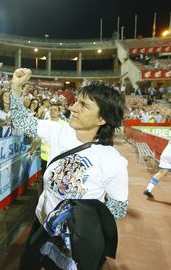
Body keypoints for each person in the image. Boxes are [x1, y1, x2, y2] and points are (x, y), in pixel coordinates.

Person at [10, 69, 128, 269]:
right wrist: (15, 88)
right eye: (76, 101)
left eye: (84, 105)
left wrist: (82, 217)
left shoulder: (112, 161)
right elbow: (22, 121)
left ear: (102, 119)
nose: (73, 108)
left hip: (74, 242)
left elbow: (118, 208)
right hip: (42, 225)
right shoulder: (58, 131)